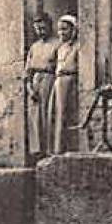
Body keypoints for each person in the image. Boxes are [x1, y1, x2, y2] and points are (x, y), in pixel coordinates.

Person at [24, 14, 57, 159]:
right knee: (35, 117)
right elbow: (27, 72)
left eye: (43, 28)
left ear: (49, 26)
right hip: (35, 82)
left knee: (49, 115)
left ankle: (51, 150)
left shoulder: (57, 44)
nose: (41, 31)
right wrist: (30, 89)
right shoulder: (34, 47)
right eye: (38, 29)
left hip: (50, 80)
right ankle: (37, 152)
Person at [51, 15, 82, 153]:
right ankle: (58, 148)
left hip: (70, 81)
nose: (61, 33)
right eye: (59, 30)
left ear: (73, 30)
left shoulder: (77, 48)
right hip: (59, 81)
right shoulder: (60, 48)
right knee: (56, 115)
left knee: (68, 114)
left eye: (65, 29)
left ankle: (72, 147)